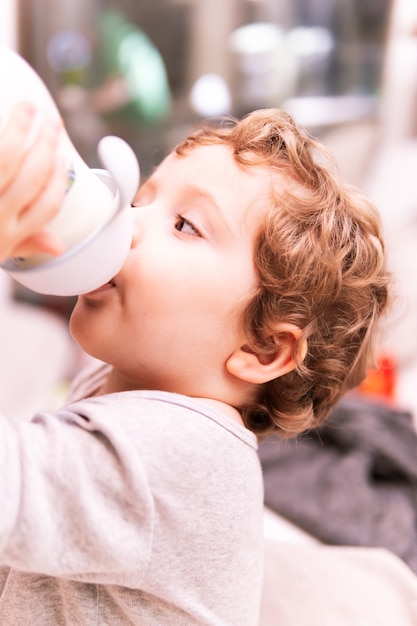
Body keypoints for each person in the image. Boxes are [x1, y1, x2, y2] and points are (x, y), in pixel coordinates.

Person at [0, 102, 390, 625]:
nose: (127, 224)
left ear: (262, 349)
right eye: (141, 201)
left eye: (184, 225)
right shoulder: (128, 377)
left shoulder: (186, 457)